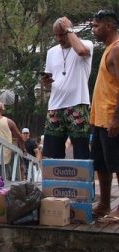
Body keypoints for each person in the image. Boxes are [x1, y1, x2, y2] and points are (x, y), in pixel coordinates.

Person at [41, 16, 93, 159]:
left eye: (62, 34)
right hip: (55, 106)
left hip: (77, 104)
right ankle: (56, 181)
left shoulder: (86, 44)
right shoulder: (51, 52)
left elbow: (82, 52)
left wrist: (68, 29)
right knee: (52, 153)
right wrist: (46, 84)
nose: (59, 38)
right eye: (56, 35)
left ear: (70, 31)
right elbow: (49, 83)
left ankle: (82, 180)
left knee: (81, 151)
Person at [88, 9, 119, 219]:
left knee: (117, 163)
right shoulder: (108, 49)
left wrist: (117, 118)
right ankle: (104, 204)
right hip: (99, 119)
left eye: (96, 26)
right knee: (102, 164)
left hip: (111, 117)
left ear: (108, 25)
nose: (93, 30)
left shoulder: (117, 49)